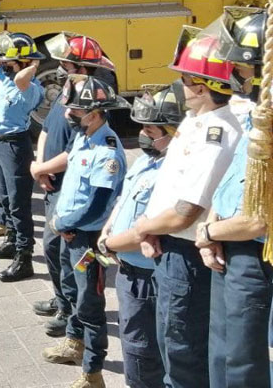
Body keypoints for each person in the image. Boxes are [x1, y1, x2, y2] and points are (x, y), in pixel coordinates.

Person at [134, 30, 242, 388]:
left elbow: (185, 213)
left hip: (184, 256)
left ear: (200, 84)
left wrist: (142, 229)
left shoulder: (218, 132)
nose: (179, 85)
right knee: (172, 344)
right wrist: (151, 228)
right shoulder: (196, 120)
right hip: (169, 245)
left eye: (183, 77)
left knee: (183, 356)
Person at [196, 7, 271, 388]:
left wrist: (210, 235)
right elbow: (229, 180)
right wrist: (209, 227)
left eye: (239, 69)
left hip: (253, 255)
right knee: (221, 354)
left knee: (244, 362)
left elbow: (260, 219)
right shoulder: (254, 115)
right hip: (227, 242)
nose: (233, 77)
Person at [42, 75, 128, 388]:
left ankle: (93, 373)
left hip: (87, 243)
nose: (68, 113)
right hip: (71, 235)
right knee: (71, 289)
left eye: (75, 110)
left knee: (89, 303)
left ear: (94, 113)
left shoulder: (106, 152)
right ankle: (74, 342)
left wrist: (65, 224)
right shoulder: (83, 134)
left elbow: (98, 205)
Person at [98, 84, 185, 388]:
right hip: (128, 270)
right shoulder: (148, 160)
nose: (145, 133)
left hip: (146, 279)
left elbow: (144, 232)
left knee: (142, 357)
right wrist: (108, 228)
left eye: (151, 127)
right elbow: (125, 198)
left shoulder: (172, 172)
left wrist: (107, 243)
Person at [31, 33, 117, 337]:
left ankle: (71, 313)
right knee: (52, 249)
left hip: (67, 187)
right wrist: (40, 165)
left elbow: (76, 152)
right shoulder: (67, 89)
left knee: (62, 251)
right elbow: (46, 130)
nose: (61, 65)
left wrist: (42, 168)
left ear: (77, 65)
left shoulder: (91, 100)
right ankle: (61, 299)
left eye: (66, 61)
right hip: (51, 180)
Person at [0, 32, 44, 282]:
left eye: (8, 62)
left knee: (18, 204)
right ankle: (11, 240)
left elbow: (21, 79)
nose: (3, 64)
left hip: (16, 147)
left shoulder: (29, 86)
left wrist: (33, 63)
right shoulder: (4, 76)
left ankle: (24, 257)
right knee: (4, 197)